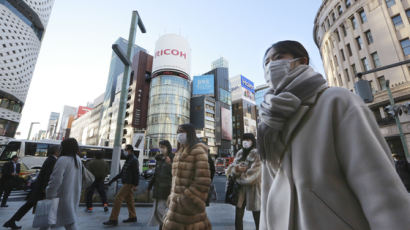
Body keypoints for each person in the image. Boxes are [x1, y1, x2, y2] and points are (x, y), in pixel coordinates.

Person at [258, 40, 410, 229]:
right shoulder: (268, 122)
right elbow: (267, 194)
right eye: (267, 63)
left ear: (302, 61)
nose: (271, 66)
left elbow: (379, 189)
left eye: (278, 57)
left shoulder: (337, 101)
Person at [162, 124, 212, 230]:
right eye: (178, 132)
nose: (179, 135)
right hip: (176, 207)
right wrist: (172, 198)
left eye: (182, 132)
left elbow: (202, 182)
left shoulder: (198, 151)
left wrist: (185, 200)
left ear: (190, 133)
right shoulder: (178, 153)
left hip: (189, 208)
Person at [3, 146, 59, 229]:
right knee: (39, 207)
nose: (60, 151)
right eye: (58, 150)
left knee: (28, 205)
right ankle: (12, 222)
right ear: (55, 151)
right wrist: (45, 189)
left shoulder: (50, 159)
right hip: (40, 189)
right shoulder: (52, 160)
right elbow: (47, 176)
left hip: (38, 188)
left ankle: (11, 222)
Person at [226, 133, 261, 230]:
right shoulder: (240, 153)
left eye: (248, 140)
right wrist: (236, 169)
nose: (245, 142)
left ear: (252, 141)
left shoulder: (257, 153)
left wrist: (239, 178)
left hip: (253, 189)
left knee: (257, 216)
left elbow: (254, 174)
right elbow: (231, 169)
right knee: (238, 217)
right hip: (240, 190)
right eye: (244, 140)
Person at [46, 138, 82, 230]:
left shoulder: (62, 159)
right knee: (67, 221)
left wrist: (49, 193)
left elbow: (56, 180)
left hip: (60, 196)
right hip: (73, 194)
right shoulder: (77, 159)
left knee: (64, 222)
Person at [103, 144, 140, 226]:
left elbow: (136, 173)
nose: (124, 151)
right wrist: (112, 180)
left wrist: (135, 185)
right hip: (126, 182)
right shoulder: (129, 159)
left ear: (130, 150)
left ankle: (113, 219)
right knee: (129, 200)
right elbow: (122, 173)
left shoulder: (134, 160)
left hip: (129, 183)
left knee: (118, 198)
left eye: (125, 150)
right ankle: (133, 217)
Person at [147, 140, 174, 230]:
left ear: (168, 148)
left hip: (168, 188)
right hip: (158, 188)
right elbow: (156, 174)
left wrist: (171, 164)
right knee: (159, 210)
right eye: (160, 147)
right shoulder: (159, 159)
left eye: (163, 147)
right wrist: (150, 186)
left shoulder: (173, 158)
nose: (161, 149)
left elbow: (178, 173)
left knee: (161, 209)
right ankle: (162, 227)